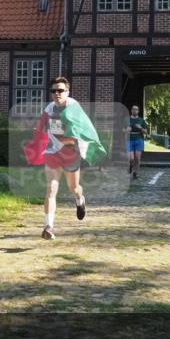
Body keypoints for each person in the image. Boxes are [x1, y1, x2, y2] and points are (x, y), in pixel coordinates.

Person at [34, 77, 106, 239]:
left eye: (60, 90)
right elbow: (41, 129)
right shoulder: (49, 109)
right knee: (51, 188)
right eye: (54, 91)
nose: (57, 94)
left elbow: (81, 134)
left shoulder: (74, 108)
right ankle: (49, 226)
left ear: (67, 92)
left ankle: (80, 200)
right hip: (53, 153)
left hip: (70, 154)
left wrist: (66, 140)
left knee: (73, 188)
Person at [125, 104, 148, 179]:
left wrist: (141, 128)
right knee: (131, 158)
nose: (135, 110)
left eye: (136, 109)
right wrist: (126, 130)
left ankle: (136, 172)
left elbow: (146, 132)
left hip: (139, 139)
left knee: (137, 158)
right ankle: (130, 166)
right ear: (131, 110)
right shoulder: (127, 119)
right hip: (130, 140)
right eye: (133, 109)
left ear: (138, 111)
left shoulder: (141, 120)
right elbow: (122, 130)